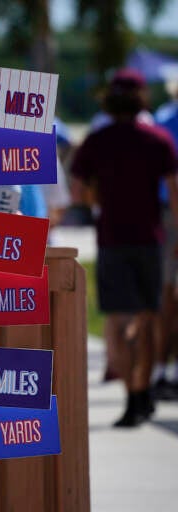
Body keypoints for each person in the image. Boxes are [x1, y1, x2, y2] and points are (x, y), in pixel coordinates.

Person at [71, 68, 178, 427]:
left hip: (111, 237)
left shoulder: (97, 141)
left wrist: (96, 202)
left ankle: (131, 397)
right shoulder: (158, 139)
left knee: (117, 320)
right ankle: (141, 390)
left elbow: (77, 187)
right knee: (148, 318)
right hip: (150, 238)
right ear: (141, 98)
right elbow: (174, 192)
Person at [153, 76, 178, 399]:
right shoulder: (162, 124)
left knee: (164, 295)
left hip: (162, 214)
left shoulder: (161, 122)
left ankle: (161, 369)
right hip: (168, 213)